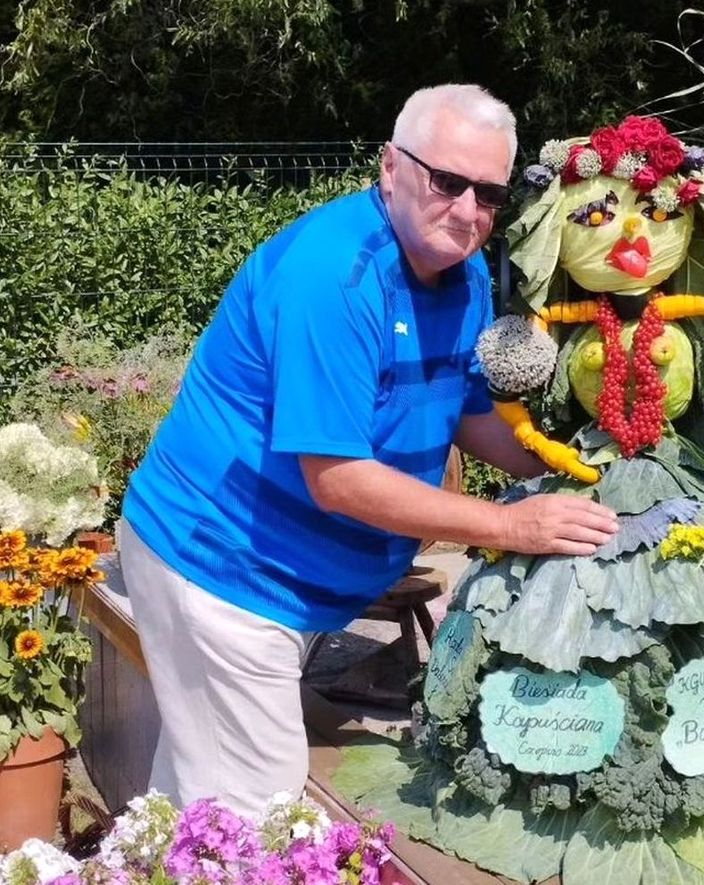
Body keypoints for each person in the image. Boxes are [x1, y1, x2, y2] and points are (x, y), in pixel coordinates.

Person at [117, 84, 619, 815]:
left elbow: (473, 415)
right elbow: (340, 480)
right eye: (448, 181)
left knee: (197, 801)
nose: (469, 209)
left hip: (291, 584)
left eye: (489, 194)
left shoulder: (465, 272)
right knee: (259, 816)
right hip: (221, 570)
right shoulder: (334, 274)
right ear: (390, 167)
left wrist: (575, 461)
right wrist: (514, 525)